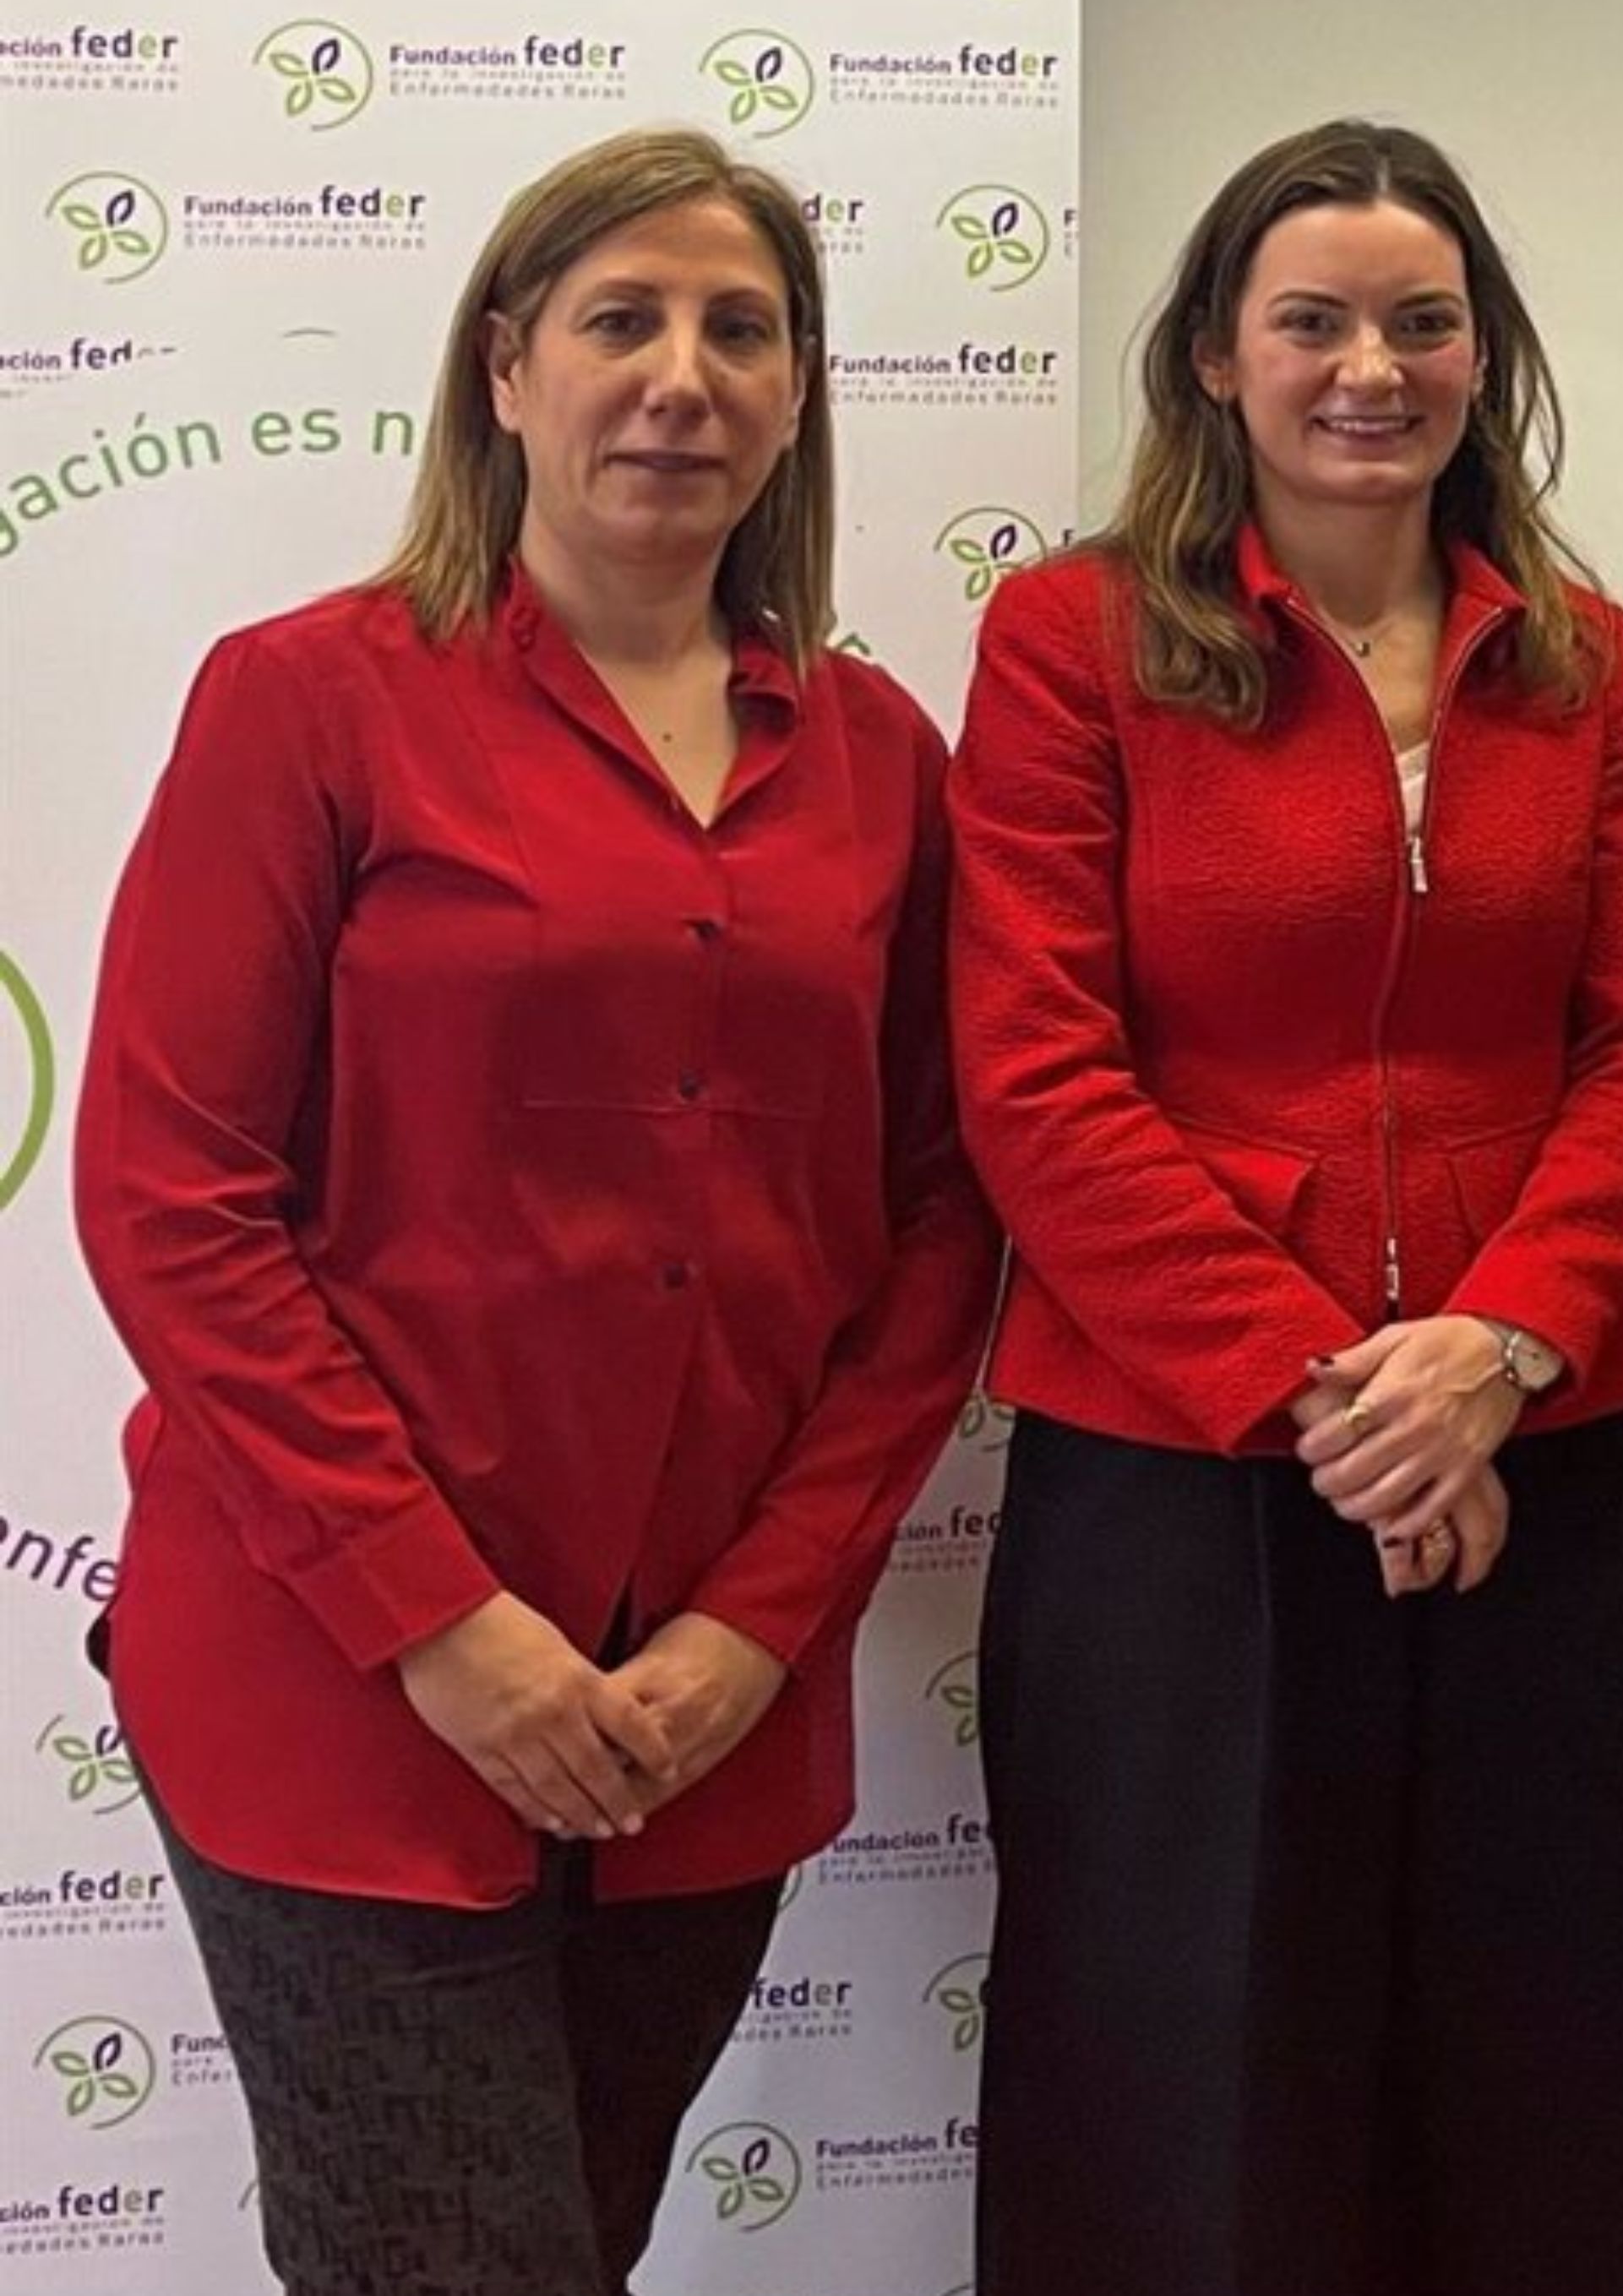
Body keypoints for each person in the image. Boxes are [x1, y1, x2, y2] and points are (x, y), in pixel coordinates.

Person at [71, 125, 994, 2296]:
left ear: (795, 397)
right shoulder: (310, 698)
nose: (681, 375)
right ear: (506, 370)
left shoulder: (879, 754)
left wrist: (754, 1628)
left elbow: (942, 1216)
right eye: (621, 320)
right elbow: (172, 1191)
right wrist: (445, 1624)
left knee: (568, 2245)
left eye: (740, 329)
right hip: (344, 1694)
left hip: (703, 1719)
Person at [947, 117, 1623, 2296]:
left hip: (1531, 1442)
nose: (1370, 365)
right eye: (1313, 319)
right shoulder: (1073, 638)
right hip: (1180, 1467)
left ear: (1486, 357)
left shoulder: (1579, 650)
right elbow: (1036, 1071)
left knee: (1524, 2039)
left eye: (1423, 320)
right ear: (1215, 354)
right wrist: (1327, 1395)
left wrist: (1493, 1351)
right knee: (1182, 2052)